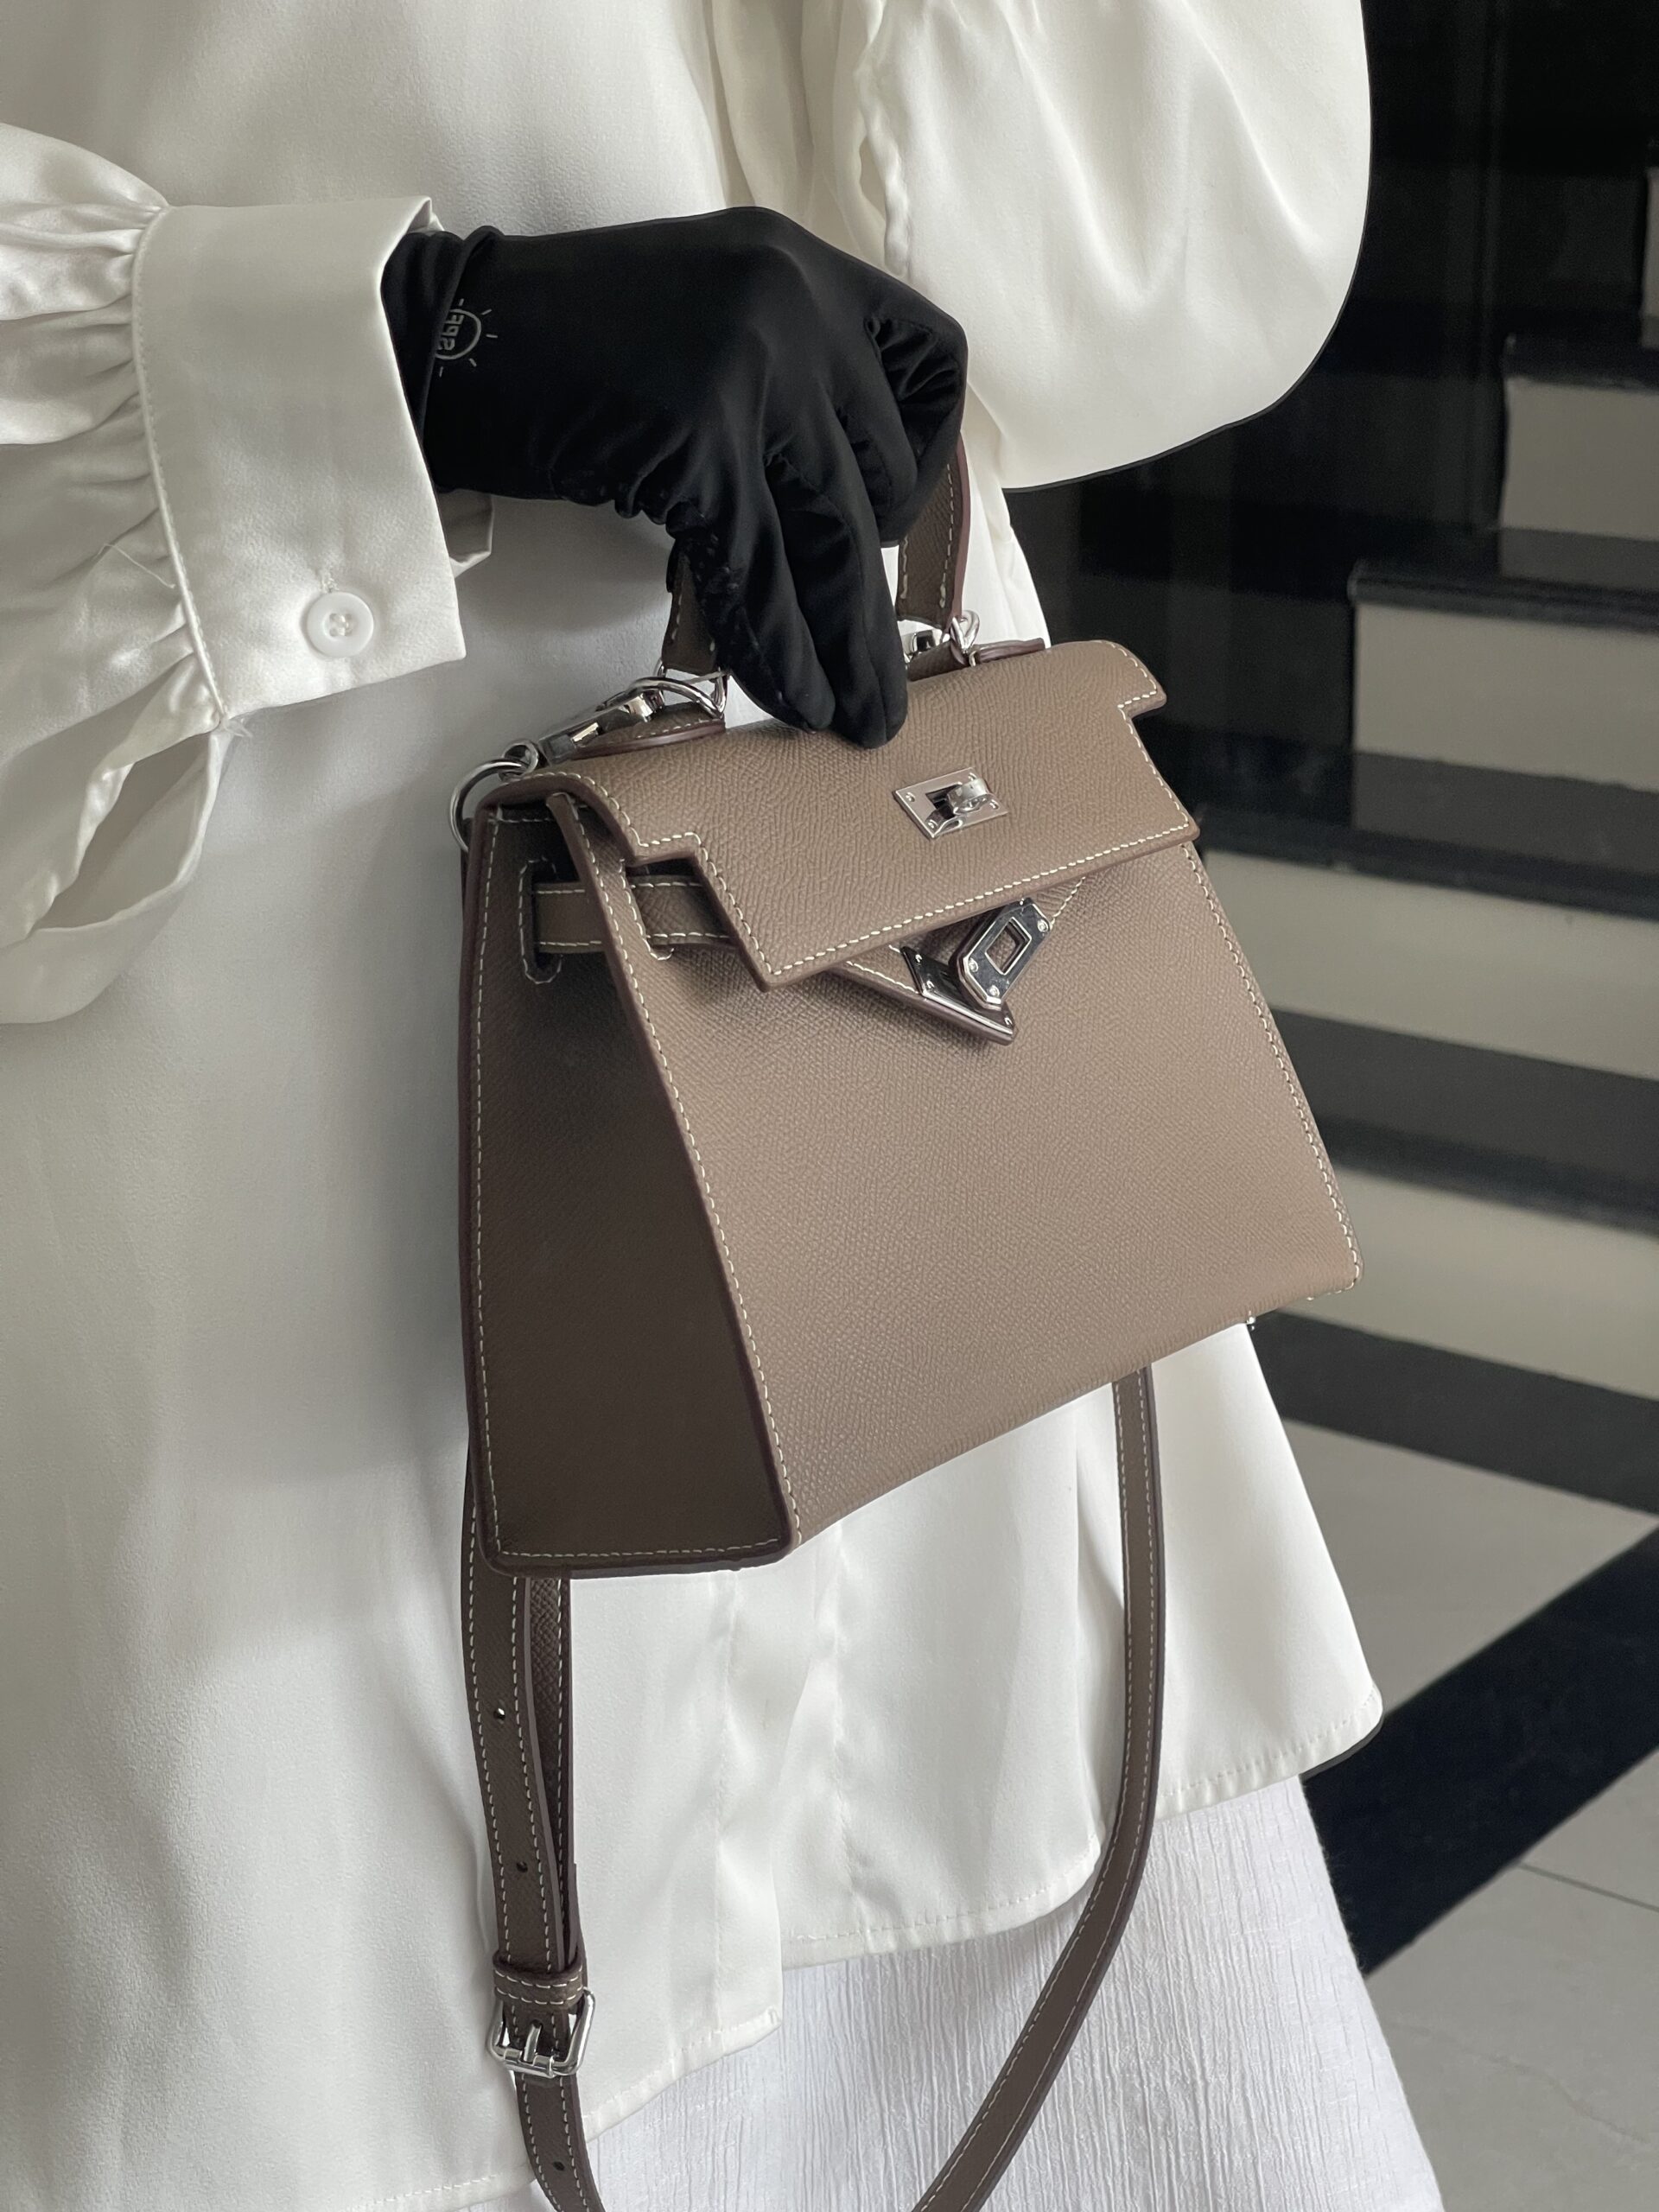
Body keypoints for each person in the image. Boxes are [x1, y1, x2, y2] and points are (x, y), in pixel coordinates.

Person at [0, 5, 1440, 2209]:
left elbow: (1149, 266)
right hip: (243, 1035)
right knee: (320, 2000)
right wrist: (384, 343)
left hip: (930, 1165)